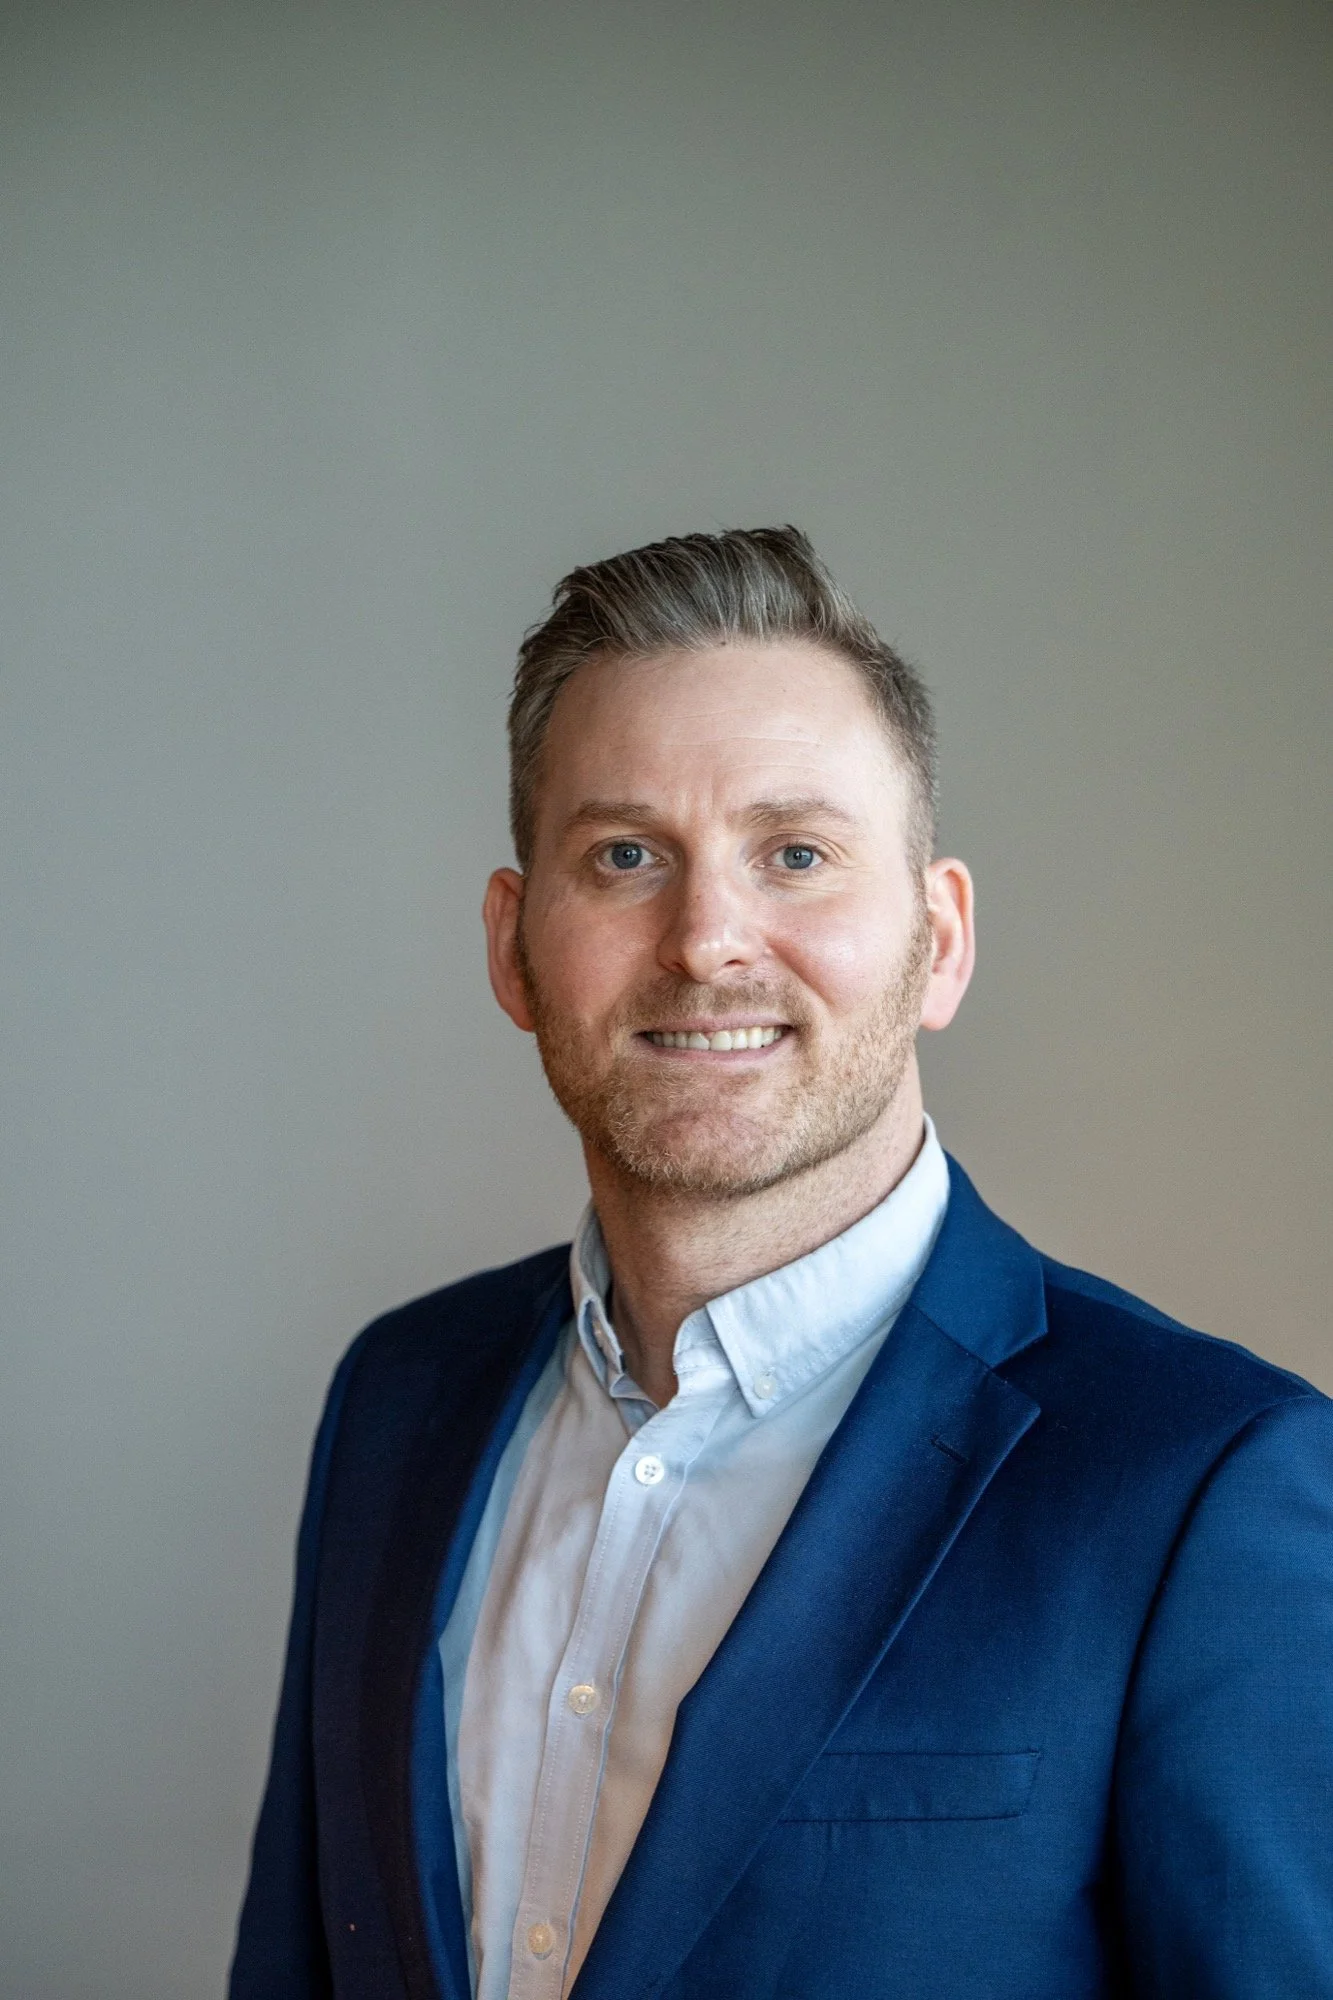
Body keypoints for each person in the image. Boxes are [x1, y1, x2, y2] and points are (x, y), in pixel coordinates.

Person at [230, 527, 1333, 2000]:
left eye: (796, 856)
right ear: (513, 947)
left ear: (938, 942)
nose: (707, 942)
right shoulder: (397, 1402)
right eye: (625, 857)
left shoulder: (1206, 1483)